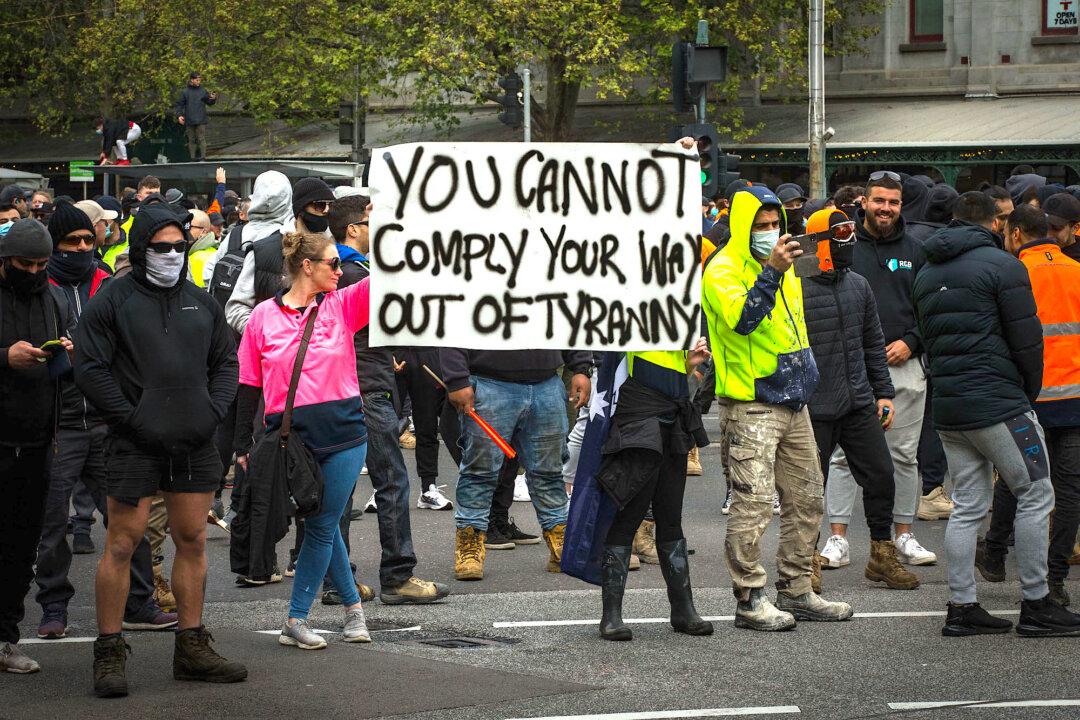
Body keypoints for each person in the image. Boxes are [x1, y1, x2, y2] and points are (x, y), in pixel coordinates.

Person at [75, 202, 246, 696]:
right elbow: (90, 367)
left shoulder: (202, 302)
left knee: (192, 538)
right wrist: (130, 418)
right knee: (124, 543)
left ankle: (191, 647)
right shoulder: (113, 299)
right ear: (141, 247)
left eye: (179, 246)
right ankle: (109, 651)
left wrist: (212, 412)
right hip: (133, 443)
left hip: (193, 441)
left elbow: (225, 364)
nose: (171, 254)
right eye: (161, 247)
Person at [914, 191, 1080, 638]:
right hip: (998, 401)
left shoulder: (927, 270)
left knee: (968, 505)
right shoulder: (1005, 266)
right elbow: (1027, 340)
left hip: (949, 406)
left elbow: (929, 336)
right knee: (1037, 491)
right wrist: (1026, 393)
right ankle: (1037, 602)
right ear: (995, 225)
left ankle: (962, 606)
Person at [702, 184, 852, 631]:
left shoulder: (788, 265)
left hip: (794, 401)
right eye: (761, 226)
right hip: (751, 404)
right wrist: (770, 270)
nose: (771, 232)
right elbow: (744, 321)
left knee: (808, 499)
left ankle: (797, 590)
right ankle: (749, 599)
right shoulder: (722, 270)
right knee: (753, 505)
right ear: (742, 226)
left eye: (775, 225)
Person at [35, 201, 178, 641]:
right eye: (70, 242)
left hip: (106, 421)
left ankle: (139, 602)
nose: (80, 248)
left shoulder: (108, 283)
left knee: (126, 521)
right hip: (60, 424)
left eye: (85, 240)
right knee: (52, 524)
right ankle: (53, 606)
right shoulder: (39, 289)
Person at [235, 231, 374, 649]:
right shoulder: (261, 317)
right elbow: (247, 385)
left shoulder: (344, 304)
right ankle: (352, 611)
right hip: (291, 442)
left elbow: (394, 276)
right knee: (322, 524)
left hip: (346, 435)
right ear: (307, 267)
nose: (341, 270)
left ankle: (296, 619)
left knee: (321, 524)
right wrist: (242, 445)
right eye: (333, 263)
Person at [327, 195, 451, 604]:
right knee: (392, 481)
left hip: (356, 384)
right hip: (364, 388)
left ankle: (338, 581)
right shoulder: (349, 275)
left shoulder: (344, 271)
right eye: (371, 219)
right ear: (354, 229)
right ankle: (397, 577)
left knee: (343, 488)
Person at [802, 208, 920, 590]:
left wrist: (884, 393)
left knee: (882, 476)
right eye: (840, 234)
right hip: (813, 407)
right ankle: (805, 563)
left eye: (850, 232)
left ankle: (882, 556)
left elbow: (873, 343)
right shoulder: (794, 286)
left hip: (857, 402)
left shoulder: (859, 285)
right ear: (819, 242)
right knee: (808, 489)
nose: (849, 241)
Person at [828, 171, 937, 566]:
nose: (886, 208)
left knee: (904, 456)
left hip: (904, 365)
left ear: (901, 204)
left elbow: (932, 308)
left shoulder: (917, 249)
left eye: (893, 202)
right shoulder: (844, 246)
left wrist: (912, 340)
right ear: (863, 203)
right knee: (843, 456)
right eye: (879, 201)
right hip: (851, 368)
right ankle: (837, 539)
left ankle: (903, 534)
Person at [979, 203, 1080, 609]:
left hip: (1029, 397)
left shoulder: (1014, 273)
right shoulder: (1076, 271)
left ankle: (996, 551)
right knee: (1070, 491)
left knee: (1017, 475)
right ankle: (1055, 579)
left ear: (1017, 233)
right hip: (1075, 398)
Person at [440, 344, 592, 581]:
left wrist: (581, 366)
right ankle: (469, 545)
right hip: (489, 382)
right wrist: (457, 379)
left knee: (549, 472)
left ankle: (562, 543)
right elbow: (453, 321)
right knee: (479, 472)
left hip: (545, 384)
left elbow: (566, 313)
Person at [596, 345, 713, 641]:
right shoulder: (632, 304)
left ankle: (683, 609)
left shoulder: (675, 311)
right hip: (639, 418)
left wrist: (689, 364)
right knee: (628, 516)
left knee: (670, 516)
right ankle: (611, 615)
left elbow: (671, 368)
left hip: (672, 417)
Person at [0, 218, 74, 674]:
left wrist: (62, 349)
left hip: (36, 442)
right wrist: (5, 356)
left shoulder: (53, 296)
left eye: (41, 264)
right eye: (24, 264)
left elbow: (64, 371)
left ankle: (6, 638)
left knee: (21, 546)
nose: (33, 271)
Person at [225, 174, 332, 334]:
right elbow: (236, 308)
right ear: (301, 208)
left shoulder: (333, 249)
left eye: (331, 206)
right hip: (272, 355)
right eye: (320, 205)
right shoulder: (265, 250)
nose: (326, 211)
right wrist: (269, 338)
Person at [175, 71, 217, 161]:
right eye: (197, 80)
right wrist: (179, 115)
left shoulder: (203, 91)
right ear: (192, 80)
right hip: (189, 119)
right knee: (191, 139)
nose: (199, 82)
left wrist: (213, 99)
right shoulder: (185, 92)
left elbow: (209, 102)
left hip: (201, 119)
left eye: (199, 80)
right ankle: (192, 158)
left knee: (201, 138)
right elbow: (179, 105)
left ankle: (203, 158)